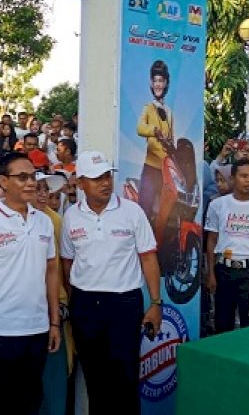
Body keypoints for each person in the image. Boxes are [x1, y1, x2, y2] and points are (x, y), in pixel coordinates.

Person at [59, 150, 161, 415]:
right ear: (80, 183)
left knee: (125, 378)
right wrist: (76, 300)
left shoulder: (131, 211)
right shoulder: (71, 216)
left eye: (107, 176)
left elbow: (149, 258)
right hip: (85, 306)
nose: (105, 182)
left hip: (124, 304)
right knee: (95, 379)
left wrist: (155, 303)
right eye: (96, 178)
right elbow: (67, 263)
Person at [0, 153, 61, 415]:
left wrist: (54, 322)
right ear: (3, 182)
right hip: (0, 333)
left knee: (31, 402)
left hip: (38, 330)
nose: (31, 183)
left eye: (33, 176)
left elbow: (52, 273)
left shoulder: (43, 221)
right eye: (22, 177)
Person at [205, 159, 249, 334]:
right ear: (232, 178)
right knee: (223, 323)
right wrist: (211, 274)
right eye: (244, 176)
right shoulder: (218, 205)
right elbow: (211, 240)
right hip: (225, 271)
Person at [33, 172, 73, 415]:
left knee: (54, 380)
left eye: (44, 189)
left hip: (55, 310)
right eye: (36, 188)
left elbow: (61, 267)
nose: (41, 194)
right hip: (23, 314)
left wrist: (62, 302)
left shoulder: (56, 221)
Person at [136, 60, 174, 223]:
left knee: (167, 210)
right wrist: (154, 131)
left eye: (161, 81)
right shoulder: (148, 108)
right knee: (146, 207)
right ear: (151, 83)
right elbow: (140, 128)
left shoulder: (169, 111)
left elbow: (172, 138)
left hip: (167, 169)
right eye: (155, 81)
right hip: (151, 167)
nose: (158, 84)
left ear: (166, 83)